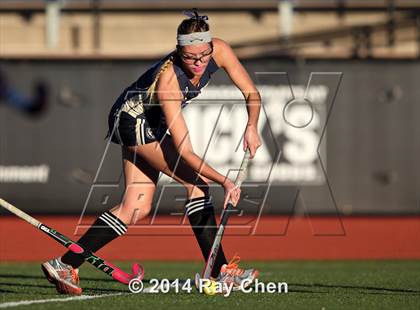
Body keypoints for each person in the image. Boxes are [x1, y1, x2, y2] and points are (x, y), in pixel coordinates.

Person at [41, 9, 262, 295]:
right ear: (179, 51)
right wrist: (225, 180)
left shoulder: (220, 50)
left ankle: (64, 264)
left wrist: (252, 126)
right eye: (190, 57)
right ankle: (221, 272)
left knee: (136, 206)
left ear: (210, 46)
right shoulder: (169, 80)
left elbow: (251, 93)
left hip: (145, 119)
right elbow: (184, 152)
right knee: (197, 185)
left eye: (204, 56)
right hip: (133, 120)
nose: (198, 63)